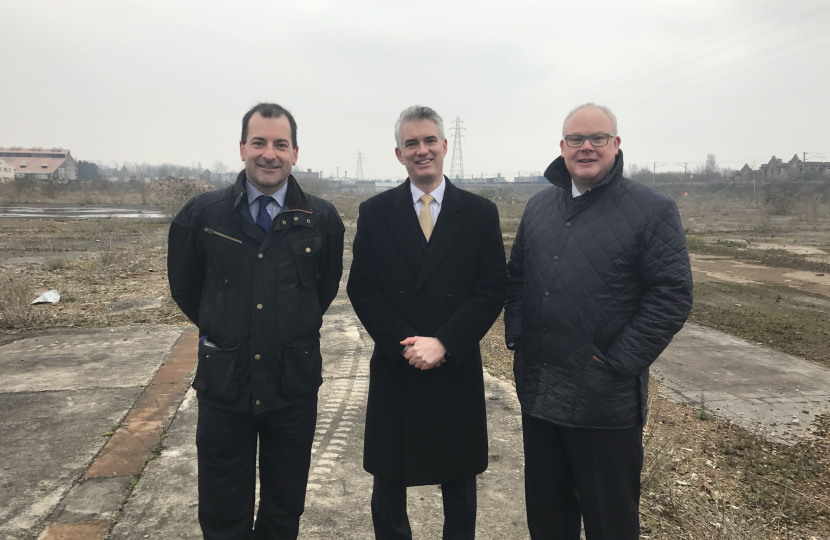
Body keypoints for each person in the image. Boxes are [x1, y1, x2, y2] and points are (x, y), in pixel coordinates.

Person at [504, 103, 693, 540]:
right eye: (576, 139)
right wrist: (518, 336)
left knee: (610, 522)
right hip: (540, 388)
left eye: (597, 138)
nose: (586, 147)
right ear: (562, 147)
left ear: (616, 144)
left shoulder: (652, 209)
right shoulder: (538, 207)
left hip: (604, 401)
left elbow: (672, 295)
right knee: (548, 518)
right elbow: (517, 276)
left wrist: (616, 363)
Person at [167, 102, 344, 540]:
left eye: (280, 145)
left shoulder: (321, 220)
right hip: (226, 385)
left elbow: (321, 292)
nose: (270, 154)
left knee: (284, 509)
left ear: (295, 153)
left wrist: (283, 331)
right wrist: (227, 330)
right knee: (223, 510)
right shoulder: (203, 216)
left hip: (292, 387)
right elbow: (187, 289)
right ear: (242, 147)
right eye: (259, 142)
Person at [347, 105, 507, 540]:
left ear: (444, 146)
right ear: (399, 154)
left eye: (429, 141)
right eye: (411, 143)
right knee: (389, 483)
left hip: (454, 365)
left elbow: (491, 289)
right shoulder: (375, 211)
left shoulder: (479, 213)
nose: (422, 151)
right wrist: (408, 344)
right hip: (398, 364)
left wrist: (445, 343)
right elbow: (362, 289)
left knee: (459, 484)